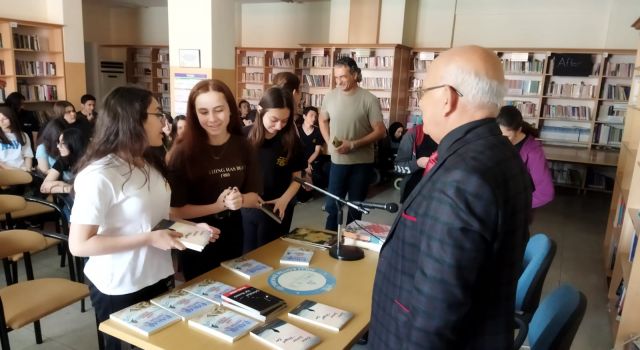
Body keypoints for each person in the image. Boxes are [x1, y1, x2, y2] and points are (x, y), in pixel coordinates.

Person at [369, 46, 532, 349]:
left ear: (447, 97)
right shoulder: (501, 154)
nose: (420, 104)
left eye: (423, 92)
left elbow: (435, 312)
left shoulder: (462, 177)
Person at [68, 86, 219, 350]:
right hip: (121, 285)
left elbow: (159, 216)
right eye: (157, 114)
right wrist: (149, 239)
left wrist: (193, 229)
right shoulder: (99, 174)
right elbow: (80, 244)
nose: (165, 122)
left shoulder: (147, 162)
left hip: (157, 275)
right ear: (132, 119)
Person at [167, 79, 262, 281]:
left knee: (234, 288)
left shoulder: (244, 146)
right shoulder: (182, 152)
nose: (212, 119)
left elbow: (255, 197)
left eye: (218, 110)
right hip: (196, 235)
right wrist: (218, 206)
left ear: (230, 110)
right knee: (201, 293)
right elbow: (175, 211)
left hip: (234, 231)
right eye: (203, 112)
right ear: (194, 114)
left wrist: (241, 200)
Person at [318, 56, 386, 230]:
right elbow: (322, 119)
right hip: (338, 162)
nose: (338, 81)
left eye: (343, 76)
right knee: (333, 206)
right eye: (336, 77)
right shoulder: (330, 97)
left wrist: (353, 145)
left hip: (361, 164)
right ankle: (329, 242)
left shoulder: (369, 99)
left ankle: (352, 244)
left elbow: (380, 131)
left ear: (355, 74)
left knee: (356, 207)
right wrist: (328, 142)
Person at [243, 87, 305, 252]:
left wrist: (284, 199)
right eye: (274, 119)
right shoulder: (242, 137)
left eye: (285, 121)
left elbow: (297, 178)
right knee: (247, 256)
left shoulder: (291, 140)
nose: (279, 126)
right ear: (260, 110)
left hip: (279, 207)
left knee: (273, 253)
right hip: (247, 207)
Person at [497, 105, 555, 209]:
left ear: (519, 130)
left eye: (507, 136)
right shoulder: (497, 141)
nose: (502, 140)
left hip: (516, 209)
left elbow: (545, 193)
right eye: (499, 135)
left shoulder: (534, 153)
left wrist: (517, 205)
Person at [393, 123, 438, 202]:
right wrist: (417, 163)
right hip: (414, 191)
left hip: (439, 193)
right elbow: (398, 166)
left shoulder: (454, 134)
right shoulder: (415, 133)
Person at [40, 128, 88, 194]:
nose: (58, 146)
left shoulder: (87, 163)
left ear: (73, 144)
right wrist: (61, 184)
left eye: (62, 143)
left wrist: (61, 186)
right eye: (58, 142)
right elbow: (43, 188)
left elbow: (85, 191)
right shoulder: (62, 160)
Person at [296, 106, 328, 201]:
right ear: (304, 116)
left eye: (316, 116)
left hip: (313, 161)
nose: (314, 118)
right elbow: (295, 151)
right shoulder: (296, 130)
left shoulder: (318, 132)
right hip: (299, 161)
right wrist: (304, 164)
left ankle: (310, 190)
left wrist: (307, 163)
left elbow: (317, 151)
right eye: (311, 115)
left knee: (314, 175)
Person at [0, 105, 33, 171]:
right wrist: (15, 170)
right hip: (4, 172)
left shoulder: (23, 135)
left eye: (4, 118)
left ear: (11, 118)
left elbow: (28, 155)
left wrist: (28, 169)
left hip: (22, 170)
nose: (1, 121)